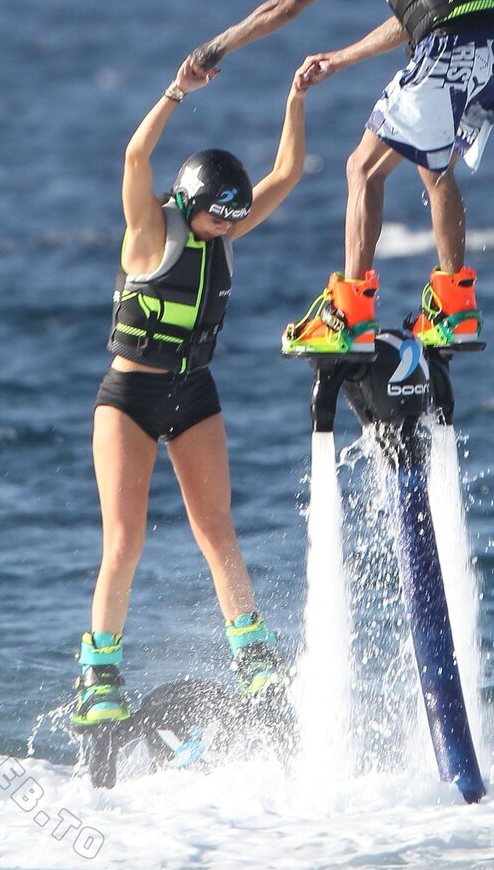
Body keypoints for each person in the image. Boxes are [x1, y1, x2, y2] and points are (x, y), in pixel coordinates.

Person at [186, 0, 494, 355]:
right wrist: (342, 58)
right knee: (434, 169)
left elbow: (288, 4)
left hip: (451, 47)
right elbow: (418, 13)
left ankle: (350, 317)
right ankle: (456, 310)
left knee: (362, 169)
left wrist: (215, 48)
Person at [73, 57, 313, 727]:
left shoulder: (225, 226)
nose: (225, 227)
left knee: (217, 528)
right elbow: (134, 157)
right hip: (129, 397)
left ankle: (252, 657)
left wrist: (295, 96)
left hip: (193, 393)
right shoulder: (152, 231)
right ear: (189, 203)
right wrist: (176, 91)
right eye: (216, 217)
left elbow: (287, 173)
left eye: (232, 219)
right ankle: (100, 676)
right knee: (125, 540)